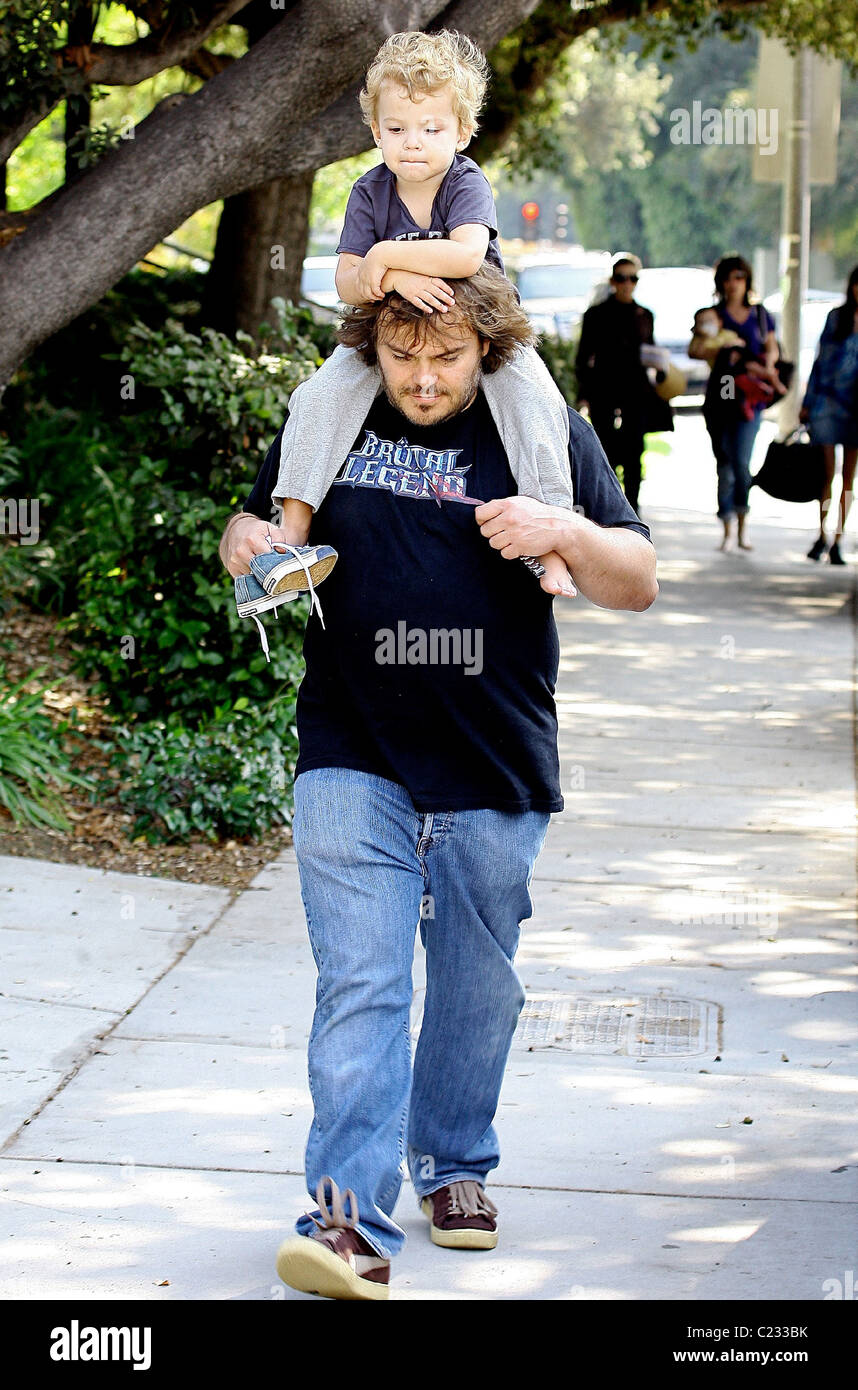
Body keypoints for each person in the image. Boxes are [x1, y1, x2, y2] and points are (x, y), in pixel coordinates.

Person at [218, 267, 658, 1300]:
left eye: (447, 358)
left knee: (473, 983)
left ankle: (454, 1163)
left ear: (488, 348)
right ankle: (346, 1226)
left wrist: (566, 534)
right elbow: (250, 535)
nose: (422, 379)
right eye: (401, 357)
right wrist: (247, 545)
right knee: (363, 984)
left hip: (492, 756)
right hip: (350, 745)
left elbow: (635, 578)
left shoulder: (537, 429)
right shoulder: (330, 419)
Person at [258, 28, 573, 612]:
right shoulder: (369, 190)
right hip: (390, 329)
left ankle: (550, 539)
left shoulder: (466, 182)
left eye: (432, 128)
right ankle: (291, 539)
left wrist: (383, 257)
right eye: (397, 128)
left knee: (537, 405)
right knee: (318, 397)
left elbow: (464, 257)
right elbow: (347, 283)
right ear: (376, 131)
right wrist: (394, 277)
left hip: (482, 327)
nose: (413, 143)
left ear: (461, 132)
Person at [689, 254, 786, 553]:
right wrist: (718, 345)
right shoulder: (712, 315)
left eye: (739, 277)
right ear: (721, 282)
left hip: (748, 395)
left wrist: (765, 365)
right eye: (729, 278)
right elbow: (695, 349)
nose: (734, 284)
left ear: (748, 280)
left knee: (741, 462)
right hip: (723, 389)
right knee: (725, 462)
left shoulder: (759, 315)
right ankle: (727, 526)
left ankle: (741, 522)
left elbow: (772, 349)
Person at [575, 253, 670, 519]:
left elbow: (649, 350)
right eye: (621, 278)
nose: (627, 283)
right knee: (603, 448)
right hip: (603, 389)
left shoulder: (644, 315)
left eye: (633, 278)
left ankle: (632, 507)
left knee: (634, 449)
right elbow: (584, 357)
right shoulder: (596, 315)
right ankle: (607, 504)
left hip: (636, 391)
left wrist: (660, 372)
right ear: (613, 281)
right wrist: (583, 394)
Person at [800, 265, 858, 565]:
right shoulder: (836, 318)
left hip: (855, 411)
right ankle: (821, 533)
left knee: (849, 478)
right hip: (827, 406)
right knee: (826, 476)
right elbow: (820, 360)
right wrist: (807, 402)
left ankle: (839, 537)